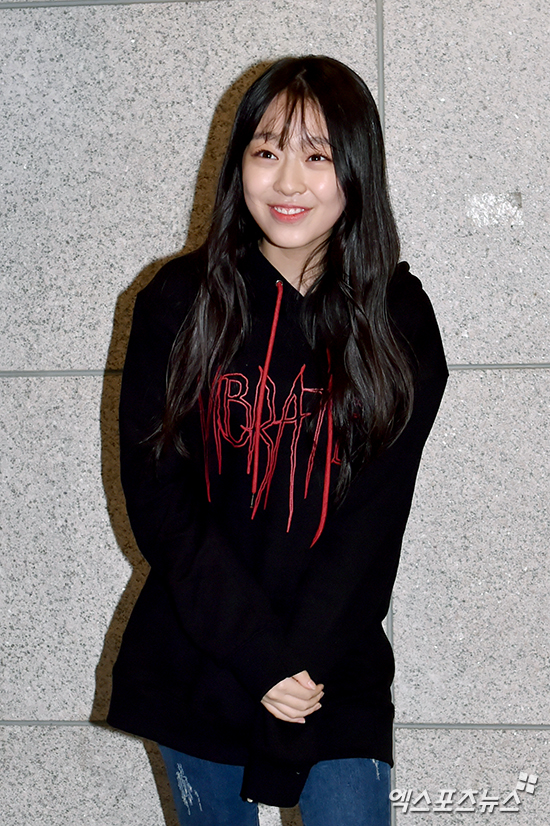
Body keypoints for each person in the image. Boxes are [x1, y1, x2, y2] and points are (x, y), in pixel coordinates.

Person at [107, 55, 448, 825]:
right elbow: (162, 504)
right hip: (201, 653)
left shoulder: (399, 320)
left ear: (356, 169)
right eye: (267, 151)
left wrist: (296, 666)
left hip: (332, 668)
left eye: (317, 156)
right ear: (240, 164)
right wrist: (258, 655)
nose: (288, 181)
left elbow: (372, 525)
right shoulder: (178, 302)